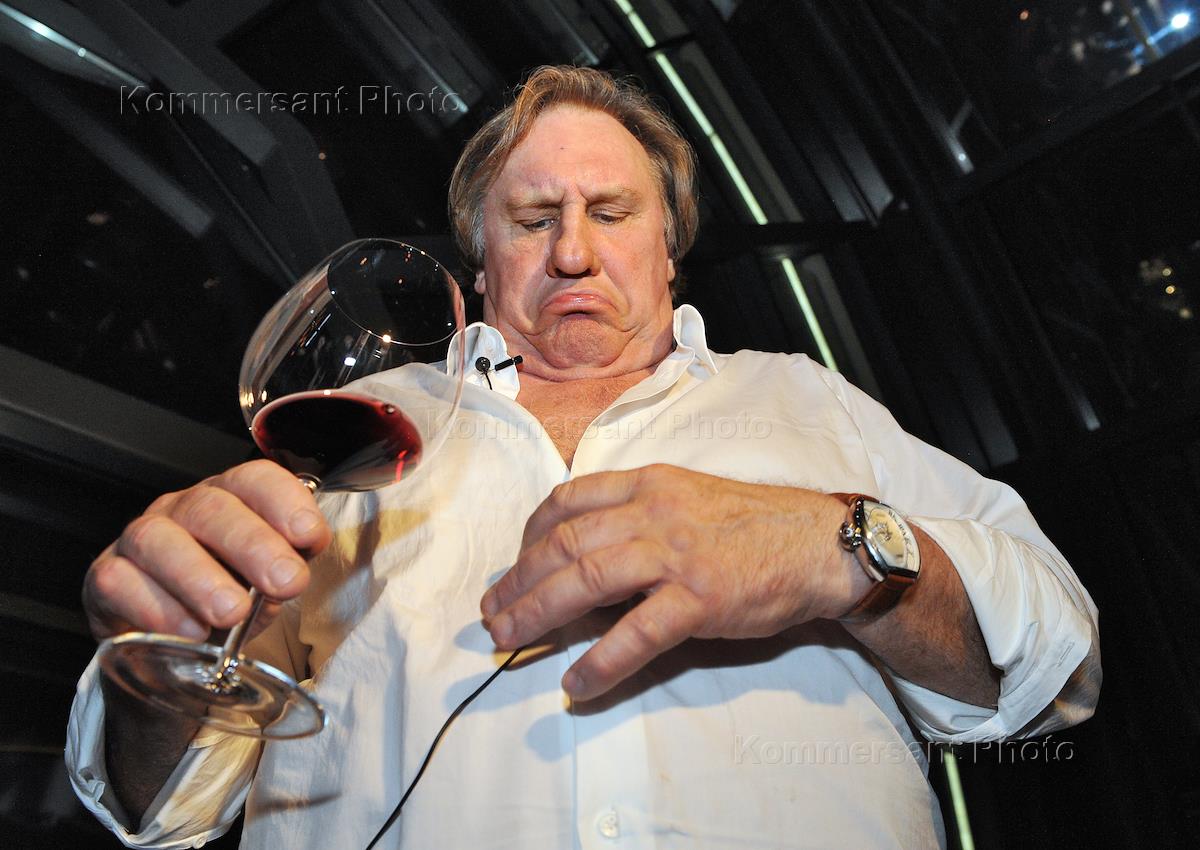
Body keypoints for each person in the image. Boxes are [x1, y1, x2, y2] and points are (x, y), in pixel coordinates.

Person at [67, 65, 1100, 849]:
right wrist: (159, 667)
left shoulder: (807, 398)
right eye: (532, 219)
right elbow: (166, 807)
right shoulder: (374, 424)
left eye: (610, 213)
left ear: (668, 248)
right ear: (480, 259)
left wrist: (832, 548)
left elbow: (1054, 658)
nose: (572, 251)